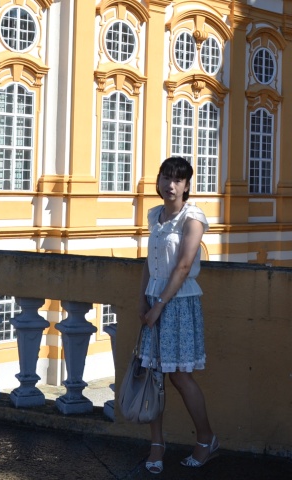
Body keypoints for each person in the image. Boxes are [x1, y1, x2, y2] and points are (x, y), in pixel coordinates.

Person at [138, 157, 218, 474]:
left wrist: (159, 305)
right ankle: (157, 445)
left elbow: (183, 266)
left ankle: (206, 439)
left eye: (177, 180)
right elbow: (149, 263)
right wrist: (142, 301)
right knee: (152, 374)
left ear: (186, 186)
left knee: (180, 376)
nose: (170, 185)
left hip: (178, 303)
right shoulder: (155, 215)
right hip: (153, 300)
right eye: (166, 177)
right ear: (158, 181)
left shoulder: (192, 217)